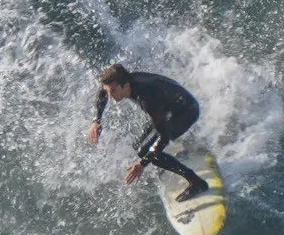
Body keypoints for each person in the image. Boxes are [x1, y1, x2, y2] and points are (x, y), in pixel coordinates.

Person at [89, 62, 211, 202]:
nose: (110, 96)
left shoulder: (147, 99)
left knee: (146, 152)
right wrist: (96, 120)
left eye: (112, 92)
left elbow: (164, 138)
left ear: (125, 86)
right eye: (108, 91)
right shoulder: (121, 81)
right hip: (168, 107)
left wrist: (142, 164)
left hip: (186, 111)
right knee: (139, 145)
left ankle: (197, 182)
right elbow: (103, 91)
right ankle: (164, 162)